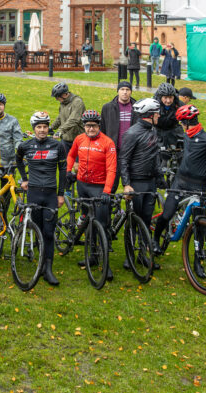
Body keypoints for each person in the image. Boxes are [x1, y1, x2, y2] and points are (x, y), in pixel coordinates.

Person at [152, 104, 206, 256]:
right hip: (180, 181)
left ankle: (200, 255)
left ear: (185, 123)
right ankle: (155, 240)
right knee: (167, 214)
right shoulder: (185, 136)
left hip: (198, 186)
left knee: (200, 222)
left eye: (182, 123)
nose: (181, 126)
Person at [16, 111, 66, 286]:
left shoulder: (58, 146)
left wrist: (61, 194)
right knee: (37, 230)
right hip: (34, 193)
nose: (43, 130)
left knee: (49, 233)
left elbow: (63, 171)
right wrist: (24, 179)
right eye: (39, 127)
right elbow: (18, 160)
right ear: (34, 129)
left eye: (45, 127)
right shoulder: (26, 146)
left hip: (51, 194)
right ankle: (41, 262)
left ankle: (48, 270)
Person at [66, 109, 116, 281]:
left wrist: (107, 191)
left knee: (102, 224)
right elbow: (71, 155)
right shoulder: (79, 139)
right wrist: (68, 171)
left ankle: (105, 263)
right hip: (82, 185)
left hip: (99, 187)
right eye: (87, 126)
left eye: (93, 126)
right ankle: (92, 256)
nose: (90, 129)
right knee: (87, 220)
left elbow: (111, 169)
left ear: (99, 126)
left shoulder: (107, 142)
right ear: (84, 126)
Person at [120, 98, 164, 267]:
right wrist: (126, 184)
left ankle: (142, 255)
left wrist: (159, 177)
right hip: (136, 183)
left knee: (146, 220)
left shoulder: (153, 130)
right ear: (149, 115)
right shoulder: (132, 133)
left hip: (150, 182)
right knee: (133, 221)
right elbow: (123, 159)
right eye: (157, 113)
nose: (159, 116)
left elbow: (154, 157)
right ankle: (129, 256)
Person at [100, 80, 138, 192]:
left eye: (127, 90)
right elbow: (102, 129)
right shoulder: (107, 107)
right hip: (114, 150)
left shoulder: (137, 107)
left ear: (131, 92)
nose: (125, 92)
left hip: (132, 150)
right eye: (122, 89)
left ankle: (130, 207)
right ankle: (110, 205)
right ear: (117, 91)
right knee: (112, 182)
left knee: (131, 183)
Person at [50, 82, 85, 157]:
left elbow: (74, 119)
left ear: (65, 95)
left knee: (77, 166)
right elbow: (60, 117)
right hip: (65, 139)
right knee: (65, 164)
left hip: (77, 139)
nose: (56, 99)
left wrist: (60, 131)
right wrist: (51, 128)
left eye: (57, 97)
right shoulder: (63, 103)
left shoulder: (77, 102)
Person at [154, 82, 183, 150]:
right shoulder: (154, 104)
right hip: (158, 130)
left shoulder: (179, 104)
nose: (168, 101)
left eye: (170, 97)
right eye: (165, 98)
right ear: (160, 97)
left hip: (173, 129)